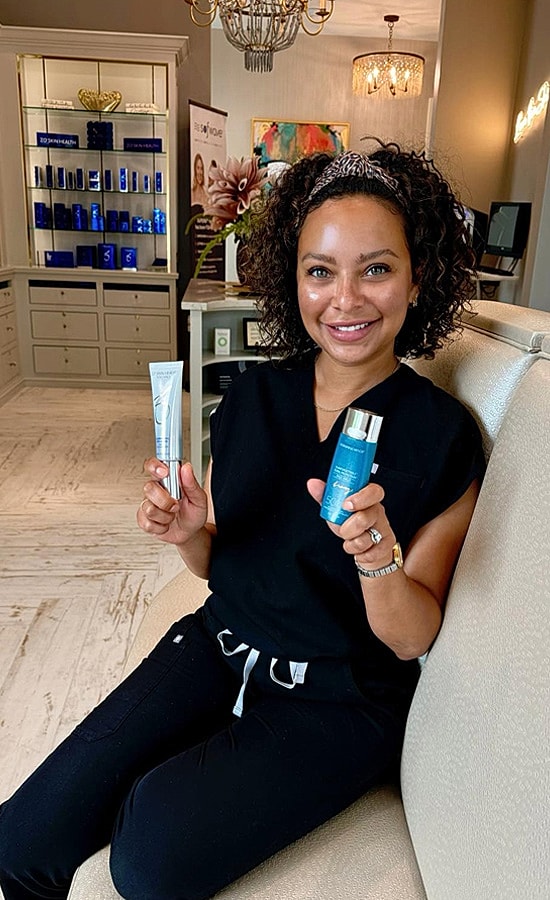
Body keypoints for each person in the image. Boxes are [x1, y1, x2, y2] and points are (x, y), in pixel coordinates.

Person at [0, 141, 485, 900]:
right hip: (218, 647)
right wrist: (191, 533)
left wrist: (376, 558)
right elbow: (228, 564)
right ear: (293, 279)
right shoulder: (253, 399)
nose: (346, 299)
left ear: (419, 276)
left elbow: (411, 637)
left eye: (376, 269)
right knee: (22, 839)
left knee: (149, 859)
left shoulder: (443, 438)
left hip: (337, 703)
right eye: (320, 271)